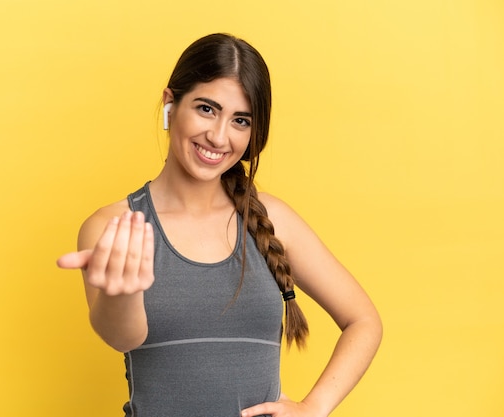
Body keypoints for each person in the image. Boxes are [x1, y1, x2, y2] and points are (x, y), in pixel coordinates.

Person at [57, 33, 382, 417]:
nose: (219, 136)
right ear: (170, 104)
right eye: (207, 109)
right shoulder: (114, 226)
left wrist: (315, 406)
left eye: (240, 120)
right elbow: (121, 337)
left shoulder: (272, 220)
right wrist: (123, 292)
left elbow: (364, 320)